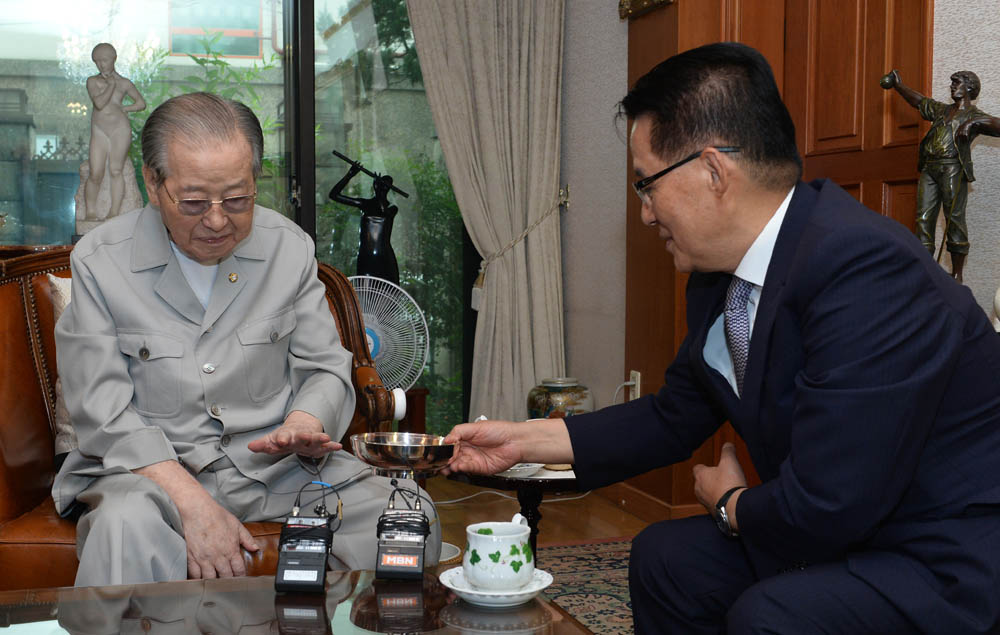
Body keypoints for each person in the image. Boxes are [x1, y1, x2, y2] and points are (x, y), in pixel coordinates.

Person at [444, 43, 1000, 634]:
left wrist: (731, 505)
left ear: (713, 171)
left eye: (645, 185)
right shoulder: (721, 274)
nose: (645, 214)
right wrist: (521, 441)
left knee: (772, 616)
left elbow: (832, 503)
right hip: (847, 527)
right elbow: (675, 416)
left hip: (942, 554)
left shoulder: (867, 269)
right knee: (667, 560)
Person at [53, 92, 440, 586]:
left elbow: (325, 367)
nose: (217, 221)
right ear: (153, 182)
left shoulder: (289, 249)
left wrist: (305, 419)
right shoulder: (99, 261)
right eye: (193, 202)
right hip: (148, 476)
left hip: (276, 470)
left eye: (237, 199)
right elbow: (102, 411)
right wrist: (192, 503)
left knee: (410, 522)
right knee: (125, 527)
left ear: (256, 180)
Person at [881, 68, 1000, 283]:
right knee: (923, 219)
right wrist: (899, 86)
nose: (952, 86)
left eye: (957, 83)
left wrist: (973, 124)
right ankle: (924, 270)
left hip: (953, 169)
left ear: (970, 88)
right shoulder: (942, 111)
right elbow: (920, 102)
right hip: (929, 169)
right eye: (952, 83)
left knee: (954, 219)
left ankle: (956, 275)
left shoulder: (974, 115)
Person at [85, 43, 146, 220]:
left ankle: (114, 211)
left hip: (119, 128)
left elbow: (141, 103)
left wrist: (124, 109)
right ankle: (90, 210)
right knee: (96, 172)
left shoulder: (125, 83)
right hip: (100, 130)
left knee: (116, 170)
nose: (101, 65)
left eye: (104, 60)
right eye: (97, 62)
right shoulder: (92, 81)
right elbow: (99, 103)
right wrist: (111, 85)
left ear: (114, 59)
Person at [329, 161, 400, 285]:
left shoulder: (392, 208)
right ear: (375, 185)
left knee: (388, 294)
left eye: (386, 186)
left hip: (385, 258)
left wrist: (379, 193)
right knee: (366, 295)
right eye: (381, 186)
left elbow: (384, 212)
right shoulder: (365, 204)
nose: (383, 189)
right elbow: (334, 195)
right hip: (366, 257)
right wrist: (349, 175)